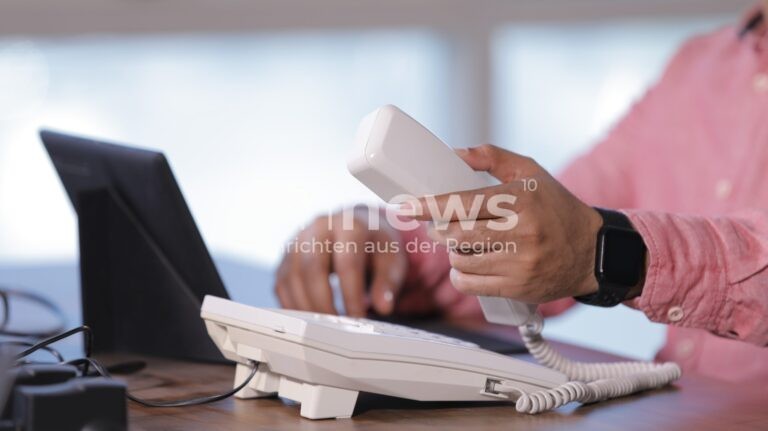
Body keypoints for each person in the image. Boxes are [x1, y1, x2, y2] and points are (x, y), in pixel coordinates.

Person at [275, 3, 768, 383]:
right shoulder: (698, 66)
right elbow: (561, 222)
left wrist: (607, 251)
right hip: (683, 410)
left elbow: (586, 238)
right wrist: (386, 243)